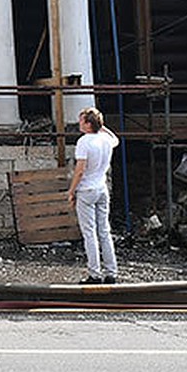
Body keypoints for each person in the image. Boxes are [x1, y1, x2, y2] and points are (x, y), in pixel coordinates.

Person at [68, 106, 119, 284]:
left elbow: (80, 170)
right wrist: (101, 126)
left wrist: (71, 190)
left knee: (89, 233)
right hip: (101, 188)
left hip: (87, 190)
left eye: (82, 120)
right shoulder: (105, 139)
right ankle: (111, 272)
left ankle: (95, 274)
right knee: (104, 231)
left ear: (88, 124)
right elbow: (115, 139)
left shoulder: (84, 142)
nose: (79, 123)